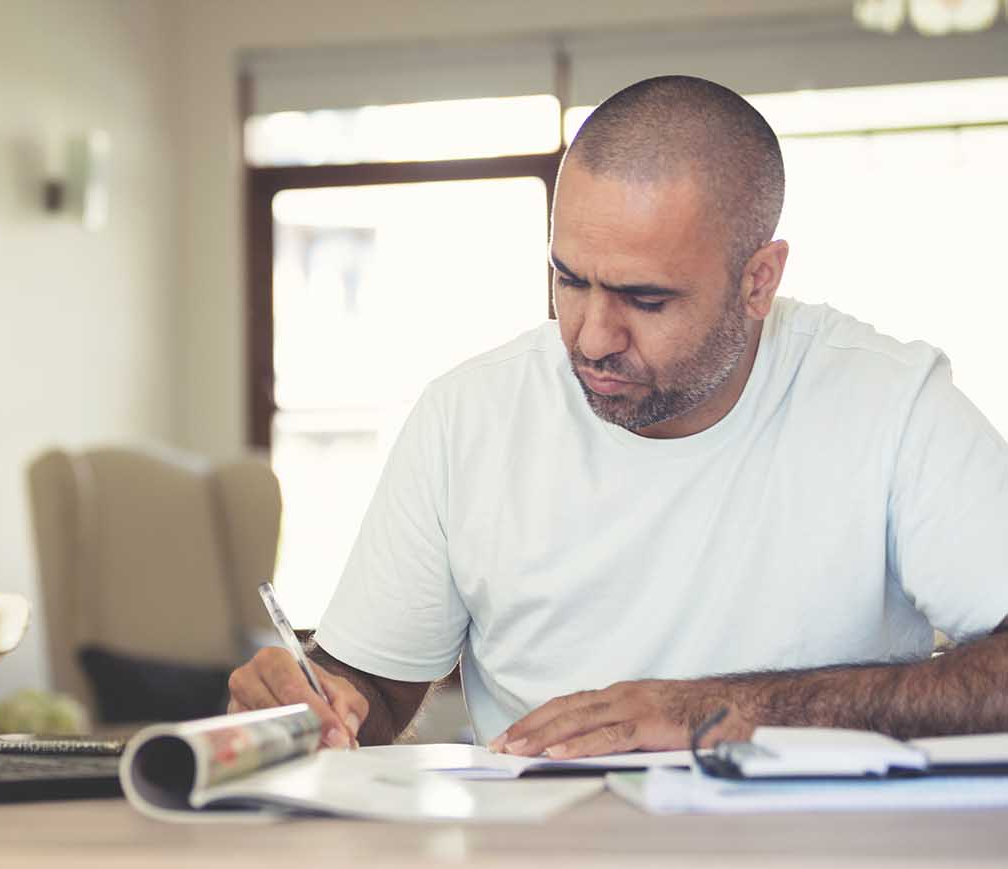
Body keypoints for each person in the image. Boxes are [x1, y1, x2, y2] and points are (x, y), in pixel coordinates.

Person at [228, 75, 1008, 757]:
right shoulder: (468, 415)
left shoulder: (892, 402)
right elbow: (373, 690)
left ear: (758, 280)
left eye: (646, 298)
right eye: (569, 280)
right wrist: (309, 702)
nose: (593, 338)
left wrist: (723, 710)